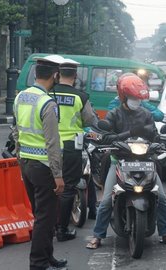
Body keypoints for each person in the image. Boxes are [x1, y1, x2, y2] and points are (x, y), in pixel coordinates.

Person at [86, 73, 166, 249]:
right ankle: (98, 236)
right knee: (106, 200)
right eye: (133, 97)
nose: (136, 100)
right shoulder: (114, 114)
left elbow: (155, 135)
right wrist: (127, 134)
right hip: (119, 161)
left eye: (138, 97)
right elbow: (105, 136)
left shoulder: (146, 114)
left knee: (162, 198)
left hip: (145, 161)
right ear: (123, 96)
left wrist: (159, 144)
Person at [12, 55, 67, 270]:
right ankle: (38, 263)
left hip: (27, 164)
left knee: (41, 215)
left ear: (35, 74)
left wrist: (20, 161)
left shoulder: (20, 98)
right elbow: (52, 142)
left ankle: (48, 257)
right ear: (55, 75)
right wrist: (58, 174)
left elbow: (16, 132)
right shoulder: (47, 103)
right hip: (44, 167)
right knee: (46, 218)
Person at [52, 58, 98, 242]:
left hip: (49, 145)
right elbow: (90, 120)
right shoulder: (81, 96)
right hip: (71, 147)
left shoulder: (48, 92)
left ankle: (50, 226)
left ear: (58, 74)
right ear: (76, 76)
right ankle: (63, 230)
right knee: (69, 188)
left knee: (49, 188)